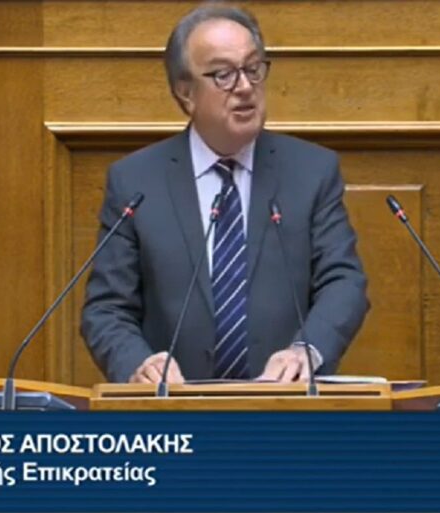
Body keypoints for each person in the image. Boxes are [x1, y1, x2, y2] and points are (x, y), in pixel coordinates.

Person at [81, 3, 368, 384]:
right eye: (224, 75)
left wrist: (308, 350)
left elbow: (344, 282)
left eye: (253, 68)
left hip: (284, 403)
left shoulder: (311, 171)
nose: (245, 87)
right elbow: (106, 309)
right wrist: (138, 363)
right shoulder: (136, 182)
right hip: (175, 407)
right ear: (185, 93)